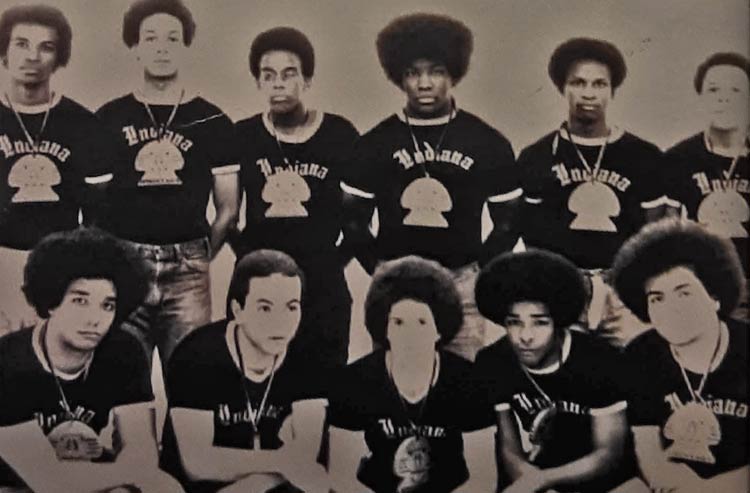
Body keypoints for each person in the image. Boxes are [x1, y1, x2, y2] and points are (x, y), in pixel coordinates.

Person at [341, 13, 521, 360]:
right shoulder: (375, 143)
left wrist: (476, 272)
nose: (424, 83)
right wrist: (382, 269)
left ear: (453, 72)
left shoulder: (487, 142)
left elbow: (509, 221)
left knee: (461, 386)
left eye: (436, 71)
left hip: (461, 285)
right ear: (398, 77)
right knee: (393, 384)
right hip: (396, 286)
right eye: (413, 73)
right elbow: (352, 219)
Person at [95, 0, 240, 365]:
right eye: (151, 37)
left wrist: (200, 256)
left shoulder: (213, 120)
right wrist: (112, 260)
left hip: (188, 268)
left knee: (192, 382)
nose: (162, 47)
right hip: (125, 265)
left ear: (186, 46)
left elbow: (228, 209)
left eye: (173, 38)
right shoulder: (110, 118)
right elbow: (94, 204)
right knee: (123, 382)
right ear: (136, 46)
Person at [0, 227, 183, 493]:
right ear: (51, 302)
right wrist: (126, 474)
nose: (94, 318)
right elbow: (45, 480)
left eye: (107, 305)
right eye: (80, 301)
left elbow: (142, 455)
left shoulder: (123, 350)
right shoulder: (9, 361)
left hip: (86, 475)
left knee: (165, 487)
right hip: (14, 483)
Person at [518, 37, 664, 347]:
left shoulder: (644, 156)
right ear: (563, 88)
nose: (588, 93)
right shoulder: (537, 156)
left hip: (622, 291)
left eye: (599, 84)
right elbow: (531, 236)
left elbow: (653, 233)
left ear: (612, 91)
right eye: (578, 82)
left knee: (632, 376)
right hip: (561, 289)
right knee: (566, 382)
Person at [233, 26, 359, 371]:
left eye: (289, 74)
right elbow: (228, 213)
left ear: (308, 80)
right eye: (268, 75)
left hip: (323, 285)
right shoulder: (243, 136)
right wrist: (251, 259)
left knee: (326, 384)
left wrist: (330, 261)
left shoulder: (339, 134)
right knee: (264, 383)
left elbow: (357, 216)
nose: (278, 84)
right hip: (262, 283)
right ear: (258, 82)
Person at [161, 249, 329, 493]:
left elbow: (306, 456)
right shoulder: (197, 355)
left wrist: (256, 484)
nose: (280, 322)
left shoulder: (309, 357)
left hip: (270, 485)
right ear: (237, 310)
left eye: (291, 307)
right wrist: (282, 461)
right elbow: (197, 463)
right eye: (265, 308)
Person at [328, 256, 496, 493]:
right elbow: (341, 478)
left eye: (421, 322)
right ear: (384, 328)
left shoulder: (470, 382)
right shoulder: (354, 382)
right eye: (398, 323)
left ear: (439, 329)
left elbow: (483, 479)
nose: (409, 336)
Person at [474, 249, 637, 493]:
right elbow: (508, 448)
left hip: (605, 481)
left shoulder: (600, 360)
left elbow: (608, 454)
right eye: (514, 322)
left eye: (540, 322)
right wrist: (532, 483)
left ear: (558, 321)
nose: (525, 336)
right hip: (536, 476)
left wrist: (544, 480)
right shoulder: (493, 361)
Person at [0, 4, 114, 335]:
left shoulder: (82, 123)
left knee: (51, 366)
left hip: (59, 266)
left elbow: (98, 212)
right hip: (1, 261)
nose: (32, 56)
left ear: (59, 57)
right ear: (4, 50)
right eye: (21, 44)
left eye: (45, 47)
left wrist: (74, 264)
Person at [612, 219, 748, 492]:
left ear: (714, 297)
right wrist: (664, 478)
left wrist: (706, 489)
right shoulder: (641, 354)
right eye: (657, 298)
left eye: (684, 293)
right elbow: (646, 444)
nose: (670, 310)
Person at [663, 53, 749, 319]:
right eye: (713, 90)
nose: (724, 98)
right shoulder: (678, 158)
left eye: (735, 90)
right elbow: (668, 233)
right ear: (700, 97)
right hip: (702, 285)